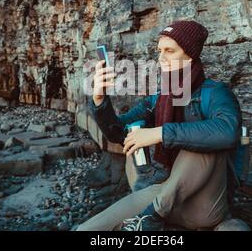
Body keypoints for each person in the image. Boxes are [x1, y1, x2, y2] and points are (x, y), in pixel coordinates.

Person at [77, 20, 242, 231]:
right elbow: (118, 133)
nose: (161, 58)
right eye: (159, 51)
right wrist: (100, 99)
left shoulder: (216, 93)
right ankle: (151, 216)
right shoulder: (158, 99)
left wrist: (160, 133)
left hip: (203, 203)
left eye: (169, 51)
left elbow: (227, 131)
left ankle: (154, 215)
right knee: (87, 230)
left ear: (190, 54)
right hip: (159, 192)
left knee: (204, 138)